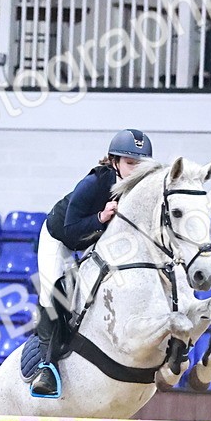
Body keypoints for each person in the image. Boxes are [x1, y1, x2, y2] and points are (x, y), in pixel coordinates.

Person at [29, 128, 154, 398]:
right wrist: (100, 217)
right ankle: (46, 367)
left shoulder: (137, 190)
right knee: (53, 294)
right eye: (131, 163)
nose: (136, 170)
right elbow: (72, 231)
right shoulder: (95, 183)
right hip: (59, 238)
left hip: (94, 242)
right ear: (114, 161)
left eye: (141, 164)